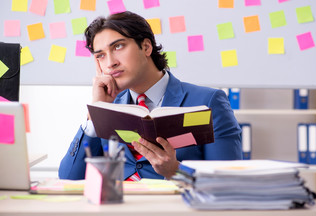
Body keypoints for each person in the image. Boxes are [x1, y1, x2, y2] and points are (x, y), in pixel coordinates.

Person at [58, 11, 242, 181]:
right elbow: (69, 178)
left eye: (118, 47)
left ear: (146, 47)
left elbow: (229, 182)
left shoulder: (208, 101)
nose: (110, 63)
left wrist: (176, 171)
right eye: (101, 56)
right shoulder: (108, 107)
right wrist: (96, 113)